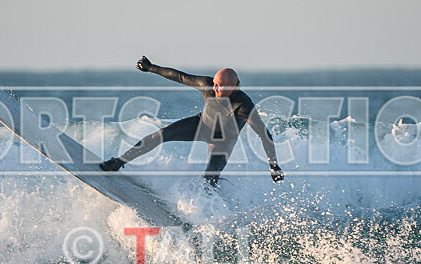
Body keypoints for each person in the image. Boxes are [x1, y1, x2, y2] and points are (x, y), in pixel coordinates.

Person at [99, 56, 284, 187]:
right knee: (160, 135)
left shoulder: (243, 106)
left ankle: (205, 213)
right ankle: (118, 162)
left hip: (224, 141)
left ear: (235, 87)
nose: (216, 89)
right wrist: (150, 67)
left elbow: (264, 134)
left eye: (222, 87)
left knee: (210, 178)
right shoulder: (208, 84)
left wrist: (273, 165)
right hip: (201, 126)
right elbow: (179, 76)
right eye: (216, 84)